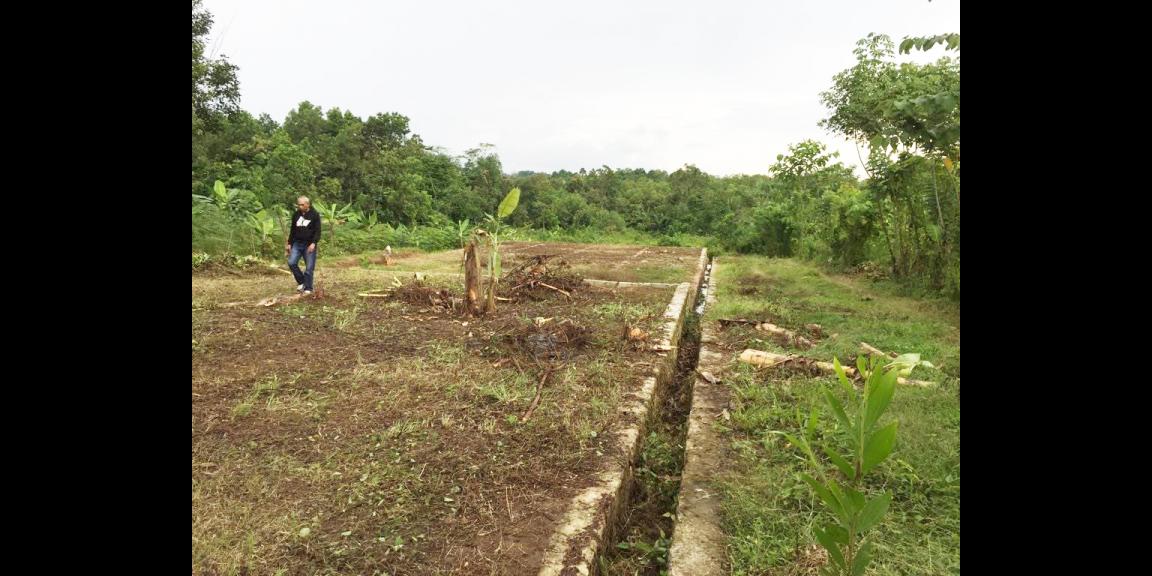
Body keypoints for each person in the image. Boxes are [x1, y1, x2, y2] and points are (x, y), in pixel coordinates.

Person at [285, 196, 321, 295]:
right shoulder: (296, 214)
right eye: (298, 204)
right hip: (297, 243)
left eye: (302, 205)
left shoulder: (314, 215)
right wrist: (289, 243)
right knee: (291, 263)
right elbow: (293, 230)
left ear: (307, 204)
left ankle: (308, 288)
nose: (299, 206)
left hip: (309, 244)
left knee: (309, 267)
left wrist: (314, 243)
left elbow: (318, 231)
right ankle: (302, 281)